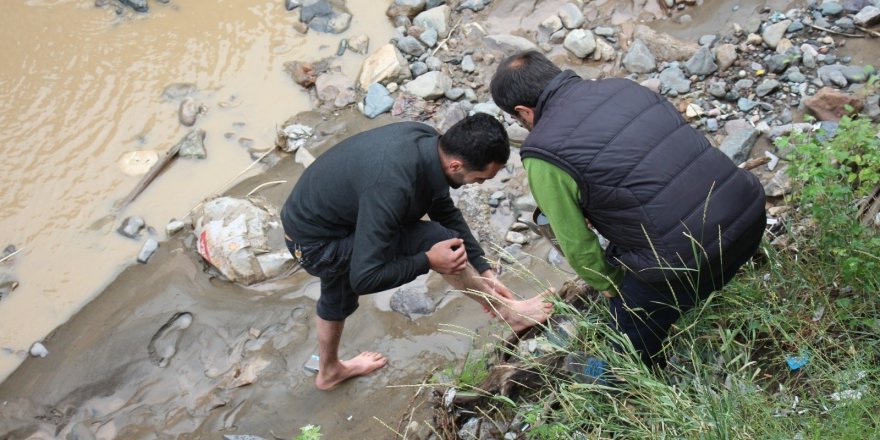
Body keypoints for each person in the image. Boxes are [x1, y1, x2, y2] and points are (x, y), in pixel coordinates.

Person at [490, 51, 766, 369]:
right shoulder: (626, 88)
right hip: (750, 215)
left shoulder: (542, 152)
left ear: (524, 111)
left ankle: (627, 387)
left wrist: (612, 288)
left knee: (625, 341)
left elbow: (577, 245)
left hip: (686, 264)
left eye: (518, 120)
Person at [281, 113, 553, 390]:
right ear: (456, 164)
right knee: (437, 240)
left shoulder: (426, 141)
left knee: (338, 289)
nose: (480, 184)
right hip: (318, 246)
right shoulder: (392, 185)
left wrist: (483, 268)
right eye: (480, 178)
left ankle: (328, 372)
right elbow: (364, 278)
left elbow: (443, 208)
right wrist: (427, 260)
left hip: (329, 220)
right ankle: (511, 315)